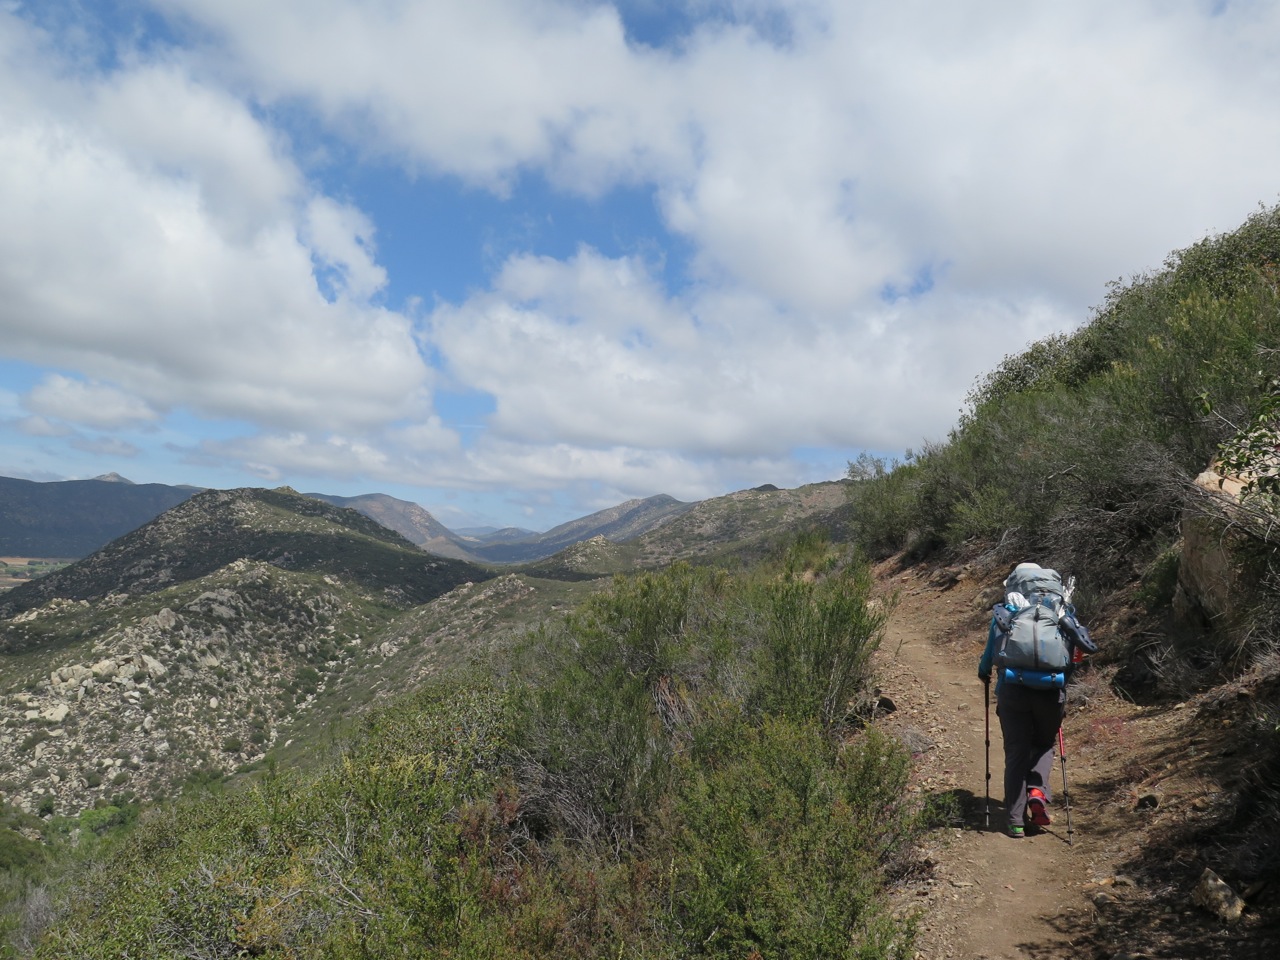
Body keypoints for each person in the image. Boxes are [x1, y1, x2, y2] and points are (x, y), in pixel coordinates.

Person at [978, 562, 1094, 838]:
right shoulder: (1062, 611)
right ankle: (1037, 793)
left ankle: (1016, 821)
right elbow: (1074, 659)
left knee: (1016, 751)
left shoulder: (1007, 611)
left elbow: (989, 657)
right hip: (1050, 692)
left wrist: (984, 674)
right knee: (1043, 745)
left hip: (1013, 691)